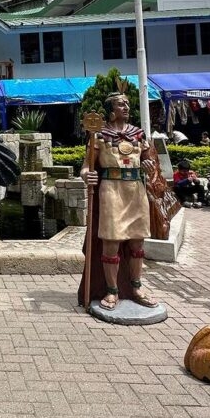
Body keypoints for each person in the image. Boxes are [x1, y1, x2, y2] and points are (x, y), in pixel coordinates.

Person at [80, 92, 157, 310]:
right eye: (120, 104)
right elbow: (86, 166)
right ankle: (112, 291)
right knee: (111, 242)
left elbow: (147, 160)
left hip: (135, 190)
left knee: (137, 242)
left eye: (127, 104)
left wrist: (148, 165)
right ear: (111, 111)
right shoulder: (99, 136)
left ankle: (136, 287)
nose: (126, 107)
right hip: (111, 190)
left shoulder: (138, 135)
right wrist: (87, 175)